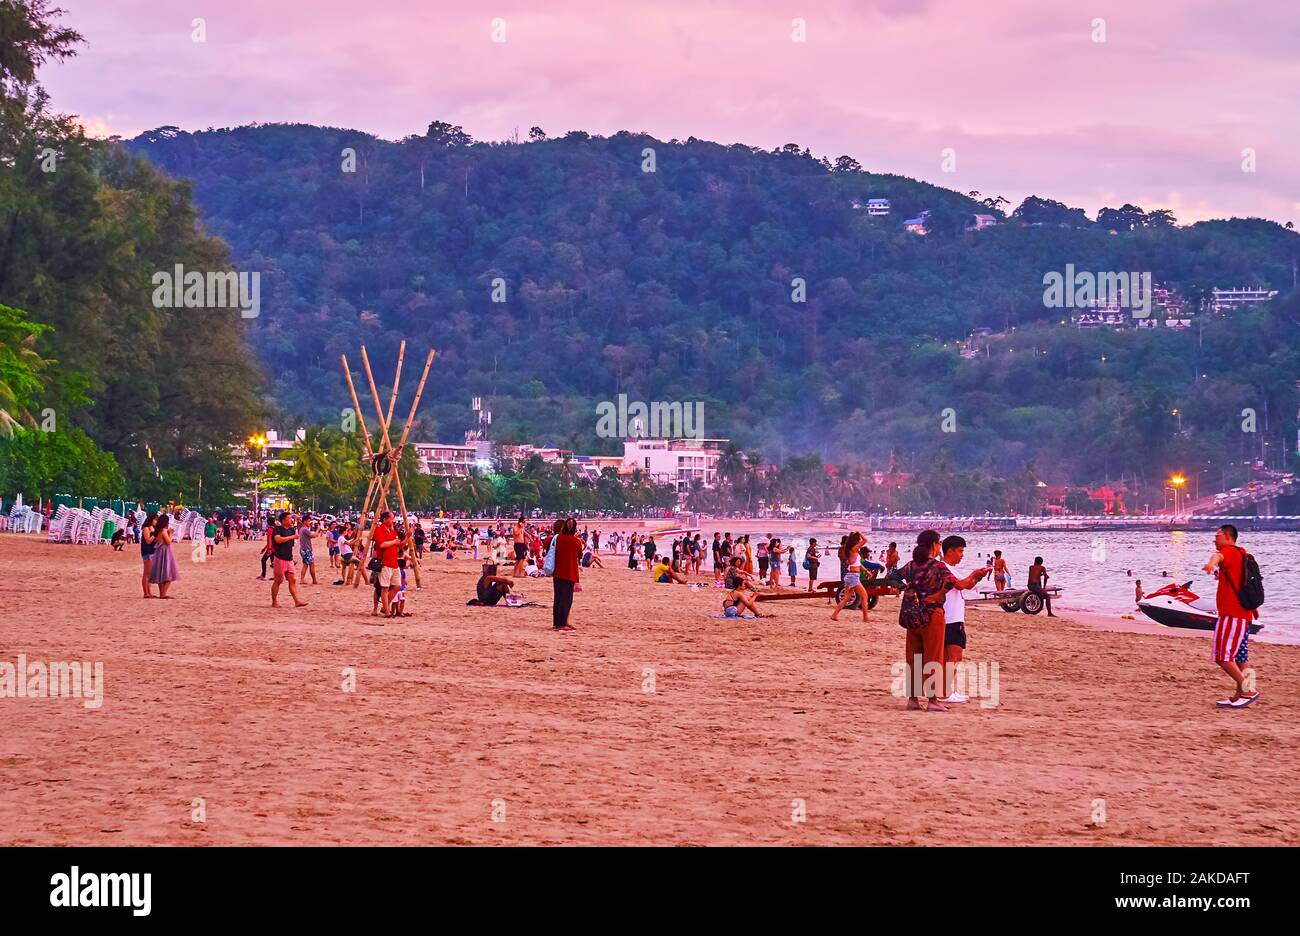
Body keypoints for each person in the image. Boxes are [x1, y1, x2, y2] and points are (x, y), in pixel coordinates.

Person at [1202, 524, 1261, 708]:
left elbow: (1218, 556)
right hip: (1244, 614)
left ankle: (1248, 690)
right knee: (1241, 658)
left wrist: (1211, 563)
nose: (1214, 539)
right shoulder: (1242, 554)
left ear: (1227, 536)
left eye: (1217, 535)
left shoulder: (1229, 551)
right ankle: (1242, 693)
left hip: (1232, 615)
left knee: (1222, 656)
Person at [898, 530, 953, 712]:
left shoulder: (911, 565)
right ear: (934, 544)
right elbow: (950, 582)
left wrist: (906, 588)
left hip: (913, 614)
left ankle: (913, 699)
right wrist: (938, 594)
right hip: (932, 613)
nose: (940, 547)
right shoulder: (937, 566)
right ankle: (933, 700)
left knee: (914, 656)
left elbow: (893, 576)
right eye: (939, 544)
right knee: (933, 656)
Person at [936, 535, 991, 703]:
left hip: (951, 617)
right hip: (951, 618)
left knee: (948, 657)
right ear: (950, 550)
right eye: (960, 551)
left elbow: (964, 585)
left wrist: (977, 577)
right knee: (954, 656)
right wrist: (974, 574)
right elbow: (959, 585)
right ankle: (945, 693)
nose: (962, 555)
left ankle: (943, 691)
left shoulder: (950, 568)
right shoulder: (944, 567)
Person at [270, 512, 308, 609]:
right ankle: (274, 602)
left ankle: (296, 601)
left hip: (289, 559)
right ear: (283, 520)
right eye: (289, 518)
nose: (291, 520)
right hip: (279, 558)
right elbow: (278, 540)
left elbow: (290, 546)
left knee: (293, 580)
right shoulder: (277, 529)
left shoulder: (291, 530)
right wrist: (291, 537)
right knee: (278, 581)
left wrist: (292, 558)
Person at [830, 532, 870, 622]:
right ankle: (865, 618)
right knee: (864, 596)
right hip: (853, 577)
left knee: (846, 598)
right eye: (858, 539)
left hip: (851, 576)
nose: (860, 541)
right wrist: (860, 532)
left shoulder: (852, 550)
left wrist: (866, 571)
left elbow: (858, 564)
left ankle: (834, 615)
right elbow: (866, 540)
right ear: (856, 541)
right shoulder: (854, 549)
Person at [552, 517, 581, 632]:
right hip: (569, 572)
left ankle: (557, 622)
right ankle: (562, 623)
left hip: (557, 571)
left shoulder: (558, 538)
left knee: (558, 598)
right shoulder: (575, 541)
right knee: (566, 599)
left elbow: (548, 546)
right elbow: (580, 554)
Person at [372, 511, 404, 616]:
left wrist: (407, 536)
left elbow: (400, 544)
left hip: (394, 563)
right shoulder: (378, 530)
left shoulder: (392, 531)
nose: (393, 521)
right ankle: (386, 610)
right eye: (391, 518)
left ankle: (385, 607)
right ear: (385, 519)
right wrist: (394, 542)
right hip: (384, 562)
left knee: (397, 586)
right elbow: (382, 544)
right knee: (383, 587)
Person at [148, 514, 179, 598]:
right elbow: (168, 542)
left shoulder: (157, 531)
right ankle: (163, 594)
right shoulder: (163, 530)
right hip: (165, 552)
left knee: (160, 573)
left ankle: (161, 593)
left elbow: (158, 540)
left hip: (159, 552)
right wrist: (171, 533)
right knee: (168, 573)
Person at [139, 511, 158, 597]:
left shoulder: (152, 528)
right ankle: (145, 593)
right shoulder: (146, 528)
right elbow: (148, 540)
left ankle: (149, 592)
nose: (156, 521)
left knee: (149, 573)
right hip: (147, 551)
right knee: (146, 573)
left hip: (152, 551)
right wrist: (154, 535)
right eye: (155, 520)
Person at [298, 515, 318, 585]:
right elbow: (314, 536)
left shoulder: (302, 529)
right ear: (305, 521)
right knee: (310, 565)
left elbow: (310, 536)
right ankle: (313, 580)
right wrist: (318, 529)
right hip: (306, 549)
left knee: (306, 564)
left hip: (304, 549)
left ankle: (303, 579)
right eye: (309, 521)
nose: (309, 522)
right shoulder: (305, 529)